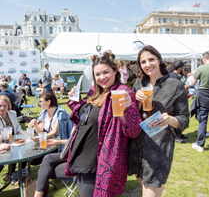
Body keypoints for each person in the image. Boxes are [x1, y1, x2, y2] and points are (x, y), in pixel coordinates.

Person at [34, 51, 142, 197]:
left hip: (95, 160)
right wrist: (75, 100)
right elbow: (84, 118)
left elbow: (134, 131)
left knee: (54, 172)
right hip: (77, 151)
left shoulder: (123, 93)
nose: (101, 77)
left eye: (106, 72)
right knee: (47, 161)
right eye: (97, 74)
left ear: (115, 72)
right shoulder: (93, 92)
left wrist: (128, 109)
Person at [128, 45, 189, 197]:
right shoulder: (139, 83)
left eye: (151, 59)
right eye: (143, 62)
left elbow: (184, 118)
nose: (147, 64)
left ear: (159, 59)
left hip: (159, 147)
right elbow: (133, 115)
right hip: (138, 145)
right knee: (143, 185)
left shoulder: (175, 85)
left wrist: (170, 119)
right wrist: (138, 102)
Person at [0, 95, 25, 185]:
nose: (2, 108)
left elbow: (17, 126)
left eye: (5, 106)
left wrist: (20, 132)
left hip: (15, 140)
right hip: (2, 143)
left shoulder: (12, 113)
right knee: (13, 152)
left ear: (8, 106)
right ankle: (12, 175)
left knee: (25, 149)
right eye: (0, 106)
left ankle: (20, 173)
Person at [168, 60, 189, 143]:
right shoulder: (174, 76)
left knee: (179, 117)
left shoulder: (172, 75)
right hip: (173, 100)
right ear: (179, 68)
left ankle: (179, 134)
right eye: (183, 68)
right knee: (176, 117)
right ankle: (176, 136)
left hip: (175, 99)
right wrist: (185, 87)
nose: (183, 69)